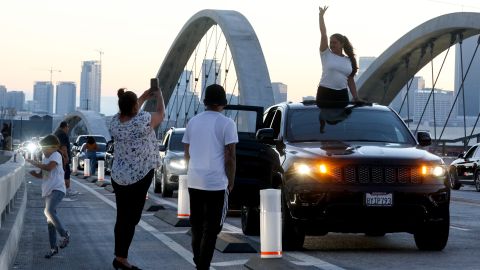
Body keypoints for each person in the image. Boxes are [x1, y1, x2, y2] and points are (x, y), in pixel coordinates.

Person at [182, 84, 238, 270]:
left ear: (206, 102)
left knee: (197, 226)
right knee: (213, 228)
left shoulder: (193, 121)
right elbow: (231, 156)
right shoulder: (227, 123)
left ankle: (199, 260)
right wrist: (231, 180)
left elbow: (187, 152)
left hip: (195, 180)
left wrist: (193, 170)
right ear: (222, 103)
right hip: (216, 183)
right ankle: (203, 265)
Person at [108, 85, 164, 270]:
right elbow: (161, 114)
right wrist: (159, 96)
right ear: (134, 107)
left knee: (122, 217)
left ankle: (119, 256)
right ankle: (121, 259)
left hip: (119, 177)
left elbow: (130, 108)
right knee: (132, 219)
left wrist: (143, 96)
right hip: (140, 175)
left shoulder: (115, 122)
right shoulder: (142, 120)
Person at [26, 135, 70, 259]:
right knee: (50, 221)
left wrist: (35, 163)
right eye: (41, 148)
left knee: (48, 211)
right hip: (47, 191)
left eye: (44, 148)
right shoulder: (45, 158)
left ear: (53, 147)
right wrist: (34, 174)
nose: (43, 150)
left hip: (58, 189)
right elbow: (44, 175)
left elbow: (49, 167)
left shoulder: (56, 155)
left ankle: (65, 234)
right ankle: (53, 248)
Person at [316, 6, 359, 109]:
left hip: (342, 94)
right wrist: (321, 16)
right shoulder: (326, 54)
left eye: (334, 43)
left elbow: (350, 80)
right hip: (325, 92)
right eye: (331, 42)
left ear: (342, 44)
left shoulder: (348, 60)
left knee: (341, 120)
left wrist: (356, 97)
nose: (331, 45)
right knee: (324, 119)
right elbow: (323, 34)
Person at [54, 121, 77, 197]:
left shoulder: (56, 133)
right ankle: (67, 189)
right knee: (66, 174)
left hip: (57, 157)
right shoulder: (63, 134)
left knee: (60, 174)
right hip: (62, 158)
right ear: (64, 127)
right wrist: (66, 157)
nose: (68, 128)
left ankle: (60, 189)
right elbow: (64, 147)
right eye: (67, 127)